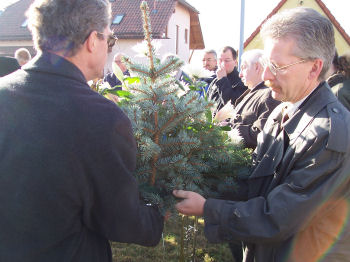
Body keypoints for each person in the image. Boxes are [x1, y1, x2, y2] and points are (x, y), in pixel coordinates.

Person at [174, 7, 350, 262]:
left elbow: (277, 217)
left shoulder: (331, 134)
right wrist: (195, 180)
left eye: (277, 67)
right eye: (267, 64)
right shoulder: (282, 113)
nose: (266, 76)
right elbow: (254, 183)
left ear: (314, 69)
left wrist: (207, 207)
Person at [0, 0, 163, 261]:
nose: (109, 49)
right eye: (109, 40)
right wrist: (158, 212)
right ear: (91, 40)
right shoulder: (102, 118)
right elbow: (120, 219)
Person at [215, 49, 280, 149]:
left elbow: (261, 133)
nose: (240, 74)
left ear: (257, 67)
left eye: (244, 68)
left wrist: (228, 128)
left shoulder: (269, 95)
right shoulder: (252, 92)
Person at [207, 46, 247, 113]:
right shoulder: (214, 81)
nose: (223, 64)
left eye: (227, 61)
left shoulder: (241, 81)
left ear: (235, 62)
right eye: (220, 60)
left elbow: (231, 104)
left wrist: (223, 80)